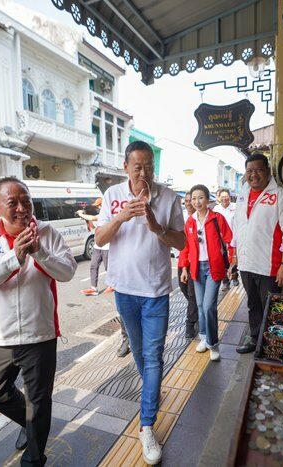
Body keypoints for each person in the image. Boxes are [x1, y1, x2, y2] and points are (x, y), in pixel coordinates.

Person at [0, 177, 77, 467]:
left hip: (40, 334)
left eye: (26, 200)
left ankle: (34, 458)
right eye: (12, 203)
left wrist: (39, 252)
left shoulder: (48, 233)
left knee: (40, 401)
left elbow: (66, 273)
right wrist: (14, 257)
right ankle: (30, 422)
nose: (22, 208)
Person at [95, 140, 185, 465]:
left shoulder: (169, 197)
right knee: (138, 352)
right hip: (124, 290)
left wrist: (156, 227)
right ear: (126, 167)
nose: (144, 171)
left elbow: (182, 240)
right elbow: (100, 240)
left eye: (149, 166)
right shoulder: (112, 195)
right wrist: (120, 218)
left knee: (154, 356)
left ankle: (146, 425)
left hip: (157, 290)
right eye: (138, 166)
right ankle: (152, 390)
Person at [231, 153, 283, 354]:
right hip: (246, 263)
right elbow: (238, 226)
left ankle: (271, 344)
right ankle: (255, 339)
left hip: (270, 266)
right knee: (253, 305)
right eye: (249, 171)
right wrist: (234, 259)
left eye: (259, 170)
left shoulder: (280, 195)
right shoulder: (243, 193)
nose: (254, 175)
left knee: (271, 307)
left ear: (268, 171)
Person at [180, 185, 233, 362]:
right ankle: (203, 336)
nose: (197, 202)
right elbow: (186, 247)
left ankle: (213, 343)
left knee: (209, 306)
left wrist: (233, 263)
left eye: (200, 197)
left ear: (208, 199)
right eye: (193, 198)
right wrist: (185, 268)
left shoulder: (217, 218)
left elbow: (230, 239)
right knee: (201, 305)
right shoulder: (190, 222)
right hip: (196, 268)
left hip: (213, 268)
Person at [77, 203, 130, 358]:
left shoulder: (107, 214)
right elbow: (99, 236)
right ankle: (126, 340)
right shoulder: (108, 216)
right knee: (124, 312)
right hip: (122, 280)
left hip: (140, 279)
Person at [177, 192, 199, 338]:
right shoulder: (180, 217)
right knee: (184, 290)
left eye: (191, 201)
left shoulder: (199, 218)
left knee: (192, 294)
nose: (189, 204)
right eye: (186, 201)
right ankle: (196, 309)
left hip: (195, 262)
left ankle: (190, 323)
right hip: (181, 260)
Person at [213, 188, 239, 290]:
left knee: (234, 259)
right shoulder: (216, 209)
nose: (225, 199)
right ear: (219, 198)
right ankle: (225, 281)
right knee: (223, 260)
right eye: (222, 197)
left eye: (226, 196)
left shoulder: (235, 207)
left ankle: (235, 277)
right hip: (222, 240)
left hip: (234, 237)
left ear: (229, 197)